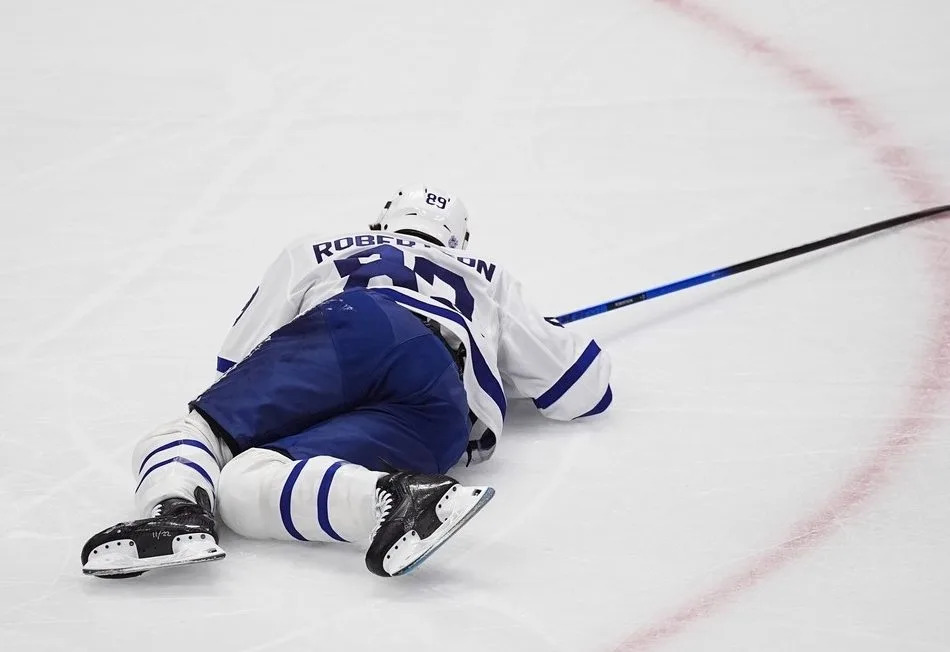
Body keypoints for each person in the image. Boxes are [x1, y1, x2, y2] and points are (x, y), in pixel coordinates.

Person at [80, 184, 612, 579]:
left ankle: (176, 511)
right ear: (459, 239)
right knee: (245, 487)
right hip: (444, 411)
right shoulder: (489, 276)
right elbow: (584, 391)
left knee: (204, 433)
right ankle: (399, 498)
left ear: (381, 223)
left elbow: (236, 363)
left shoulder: (320, 248)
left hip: (356, 325)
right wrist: (510, 353)